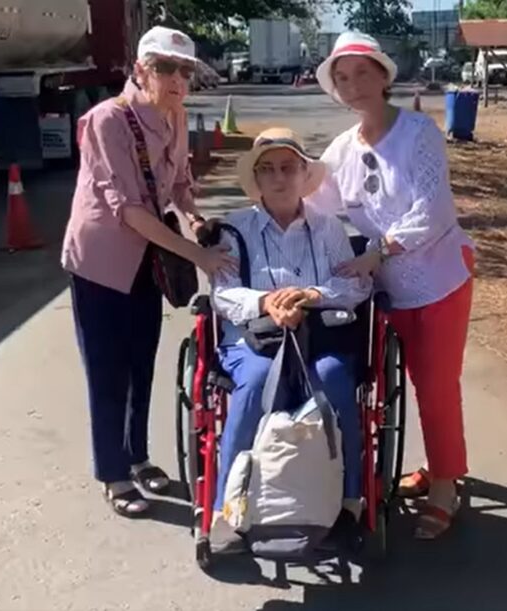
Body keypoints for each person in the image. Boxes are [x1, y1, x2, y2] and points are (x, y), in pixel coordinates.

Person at [62, 26, 236, 518]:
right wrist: (195, 254)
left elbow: (179, 184)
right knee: (107, 368)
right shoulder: (106, 120)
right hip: (102, 259)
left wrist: (195, 217)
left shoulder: (175, 116)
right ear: (140, 70)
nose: (177, 79)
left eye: (185, 70)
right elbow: (130, 211)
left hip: (149, 259)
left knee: (143, 361)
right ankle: (113, 473)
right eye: (164, 68)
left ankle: (137, 457)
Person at [308, 32, 476, 539]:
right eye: (342, 77)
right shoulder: (341, 150)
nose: (352, 84)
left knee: (435, 384)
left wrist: (378, 252)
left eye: (362, 73)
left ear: (383, 77)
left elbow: (434, 209)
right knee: (380, 386)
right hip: (382, 288)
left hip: (437, 277)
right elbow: (312, 207)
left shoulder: (418, 132)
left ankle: (446, 483)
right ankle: (435, 462)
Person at [209, 128, 372, 552]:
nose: (279, 177)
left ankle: (348, 502)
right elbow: (223, 292)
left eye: (288, 167)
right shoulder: (234, 229)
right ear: (257, 180)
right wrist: (268, 302)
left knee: (335, 378)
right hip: (254, 341)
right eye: (268, 169)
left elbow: (356, 286)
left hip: (317, 337)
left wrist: (314, 294)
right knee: (257, 382)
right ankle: (225, 510)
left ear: (304, 174)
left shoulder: (328, 229)